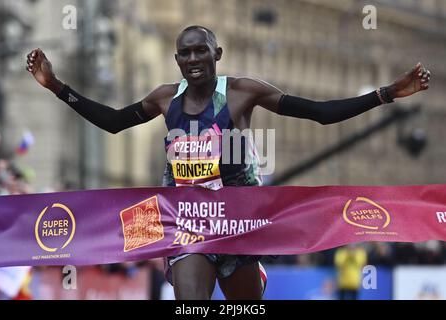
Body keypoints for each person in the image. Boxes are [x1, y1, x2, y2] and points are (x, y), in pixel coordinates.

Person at [25, 25, 431, 300]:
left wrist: (386, 93)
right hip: (186, 221)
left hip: (237, 220)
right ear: (177, 60)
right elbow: (114, 123)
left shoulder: (242, 92)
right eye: (184, 53)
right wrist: (57, 86)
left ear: (217, 53)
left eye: (201, 50)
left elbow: (319, 113)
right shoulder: (164, 98)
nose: (193, 58)